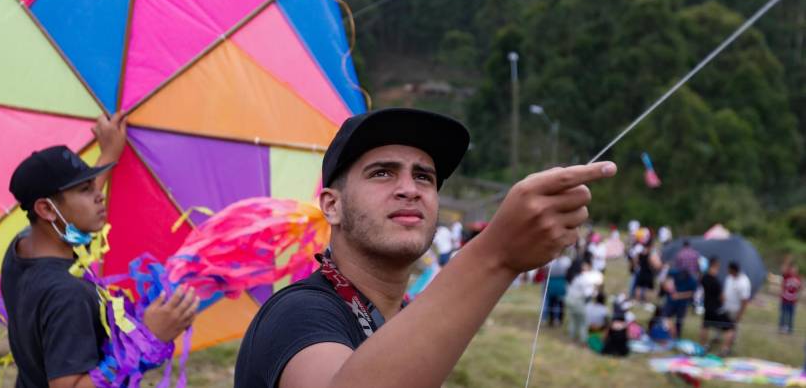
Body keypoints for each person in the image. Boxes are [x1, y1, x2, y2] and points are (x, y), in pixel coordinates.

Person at [233, 108, 617, 388]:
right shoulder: (298, 311)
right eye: (382, 172)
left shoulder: (405, 317)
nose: (409, 188)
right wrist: (495, 255)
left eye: (424, 176)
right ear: (332, 205)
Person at [2, 113, 197, 388]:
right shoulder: (68, 295)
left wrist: (109, 154)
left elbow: (70, 216)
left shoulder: (20, 251)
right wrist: (147, 338)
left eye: (94, 185)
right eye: (85, 189)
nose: (99, 195)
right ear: (45, 209)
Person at [720, 261, 752, 357]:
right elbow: (725, 290)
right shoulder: (729, 278)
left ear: (733, 270)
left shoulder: (744, 282)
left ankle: (727, 349)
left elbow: (745, 300)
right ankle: (725, 342)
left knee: (732, 329)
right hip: (726, 307)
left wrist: (740, 313)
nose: (727, 271)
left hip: (735, 310)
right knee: (725, 328)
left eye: (729, 269)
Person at [663, 267, 697, 338]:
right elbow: (666, 276)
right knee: (665, 316)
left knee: (679, 322)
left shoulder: (692, 280)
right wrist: (667, 284)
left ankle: (676, 336)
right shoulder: (675, 273)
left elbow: (692, 293)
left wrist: (679, 295)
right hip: (671, 302)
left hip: (682, 304)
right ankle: (667, 333)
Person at [700, 257, 726, 349]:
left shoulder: (704, 277)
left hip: (707, 305)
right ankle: (725, 348)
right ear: (714, 265)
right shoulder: (716, 281)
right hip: (716, 307)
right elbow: (722, 296)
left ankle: (703, 344)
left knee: (705, 325)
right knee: (728, 326)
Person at [545, 252, 572, 327]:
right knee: (554, 302)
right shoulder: (552, 260)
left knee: (559, 302)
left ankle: (557, 320)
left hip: (559, 281)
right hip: (555, 281)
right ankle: (554, 320)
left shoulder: (565, 260)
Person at [780, 256, 801, 334]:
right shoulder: (787, 276)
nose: (794, 270)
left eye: (795, 269)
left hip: (792, 301)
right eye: (793, 268)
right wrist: (787, 261)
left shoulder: (798, 278)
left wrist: (798, 296)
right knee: (783, 314)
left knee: (791, 316)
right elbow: (783, 270)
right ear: (790, 269)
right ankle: (781, 327)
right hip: (785, 299)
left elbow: (799, 288)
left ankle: (790, 329)